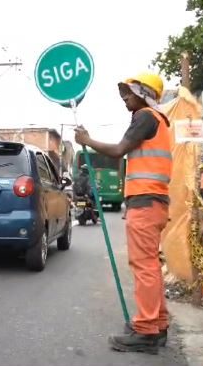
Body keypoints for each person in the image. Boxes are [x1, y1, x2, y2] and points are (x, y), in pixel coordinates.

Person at [74, 72, 171, 355]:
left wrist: (87, 140)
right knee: (150, 264)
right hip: (153, 201)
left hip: (145, 201)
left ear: (144, 93)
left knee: (144, 266)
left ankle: (147, 331)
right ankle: (157, 324)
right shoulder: (156, 120)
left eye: (128, 93)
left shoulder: (146, 116)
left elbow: (118, 150)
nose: (124, 99)